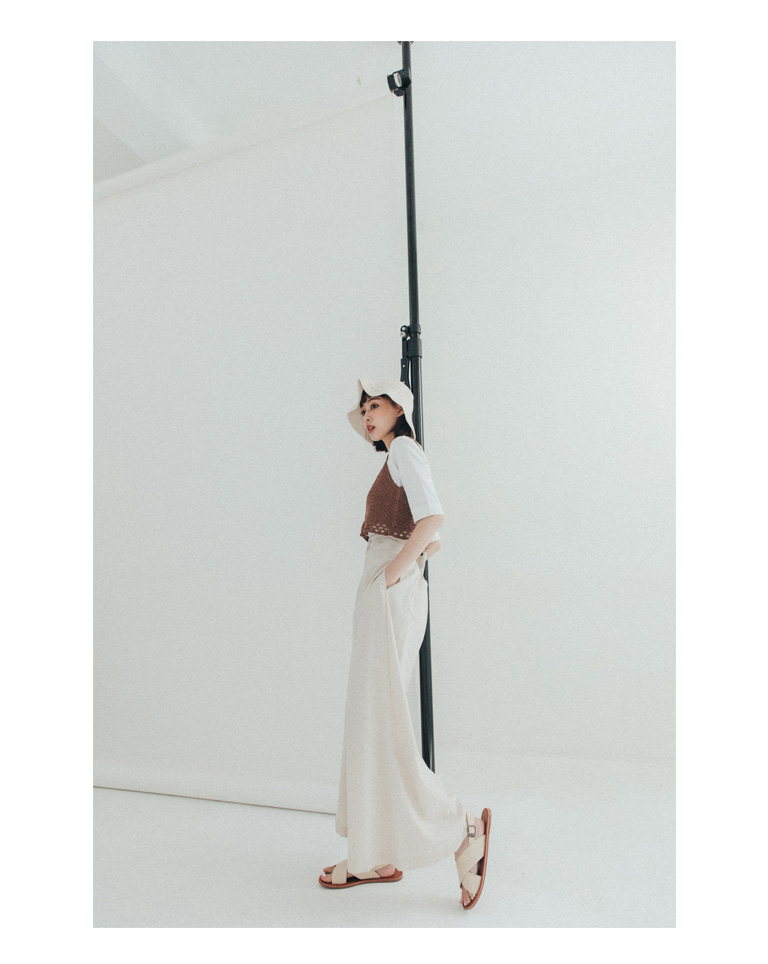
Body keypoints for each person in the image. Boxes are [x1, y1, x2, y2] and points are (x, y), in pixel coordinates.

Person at [318, 376, 492, 909]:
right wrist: (409, 563)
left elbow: (434, 517)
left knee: (379, 720)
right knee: (374, 719)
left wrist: (393, 572)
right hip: (386, 583)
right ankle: (375, 854)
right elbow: (429, 534)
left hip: (386, 586)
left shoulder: (405, 452)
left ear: (400, 408)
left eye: (376, 405)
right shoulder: (397, 457)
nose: (368, 414)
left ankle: (460, 828)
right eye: (364, 408)